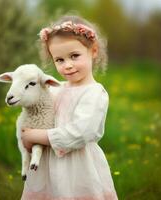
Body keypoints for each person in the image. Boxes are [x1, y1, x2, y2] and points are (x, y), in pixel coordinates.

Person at [20, 15, 118, 200]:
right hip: (47, 168)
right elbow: (40, 116)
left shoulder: (93, 93)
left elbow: (81, 132)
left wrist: (37, 135)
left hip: (78, 168)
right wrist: (27, 137)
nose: (68, 65)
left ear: (93, 51)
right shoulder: (55, 89)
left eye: (74, 56)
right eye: (59, 60)